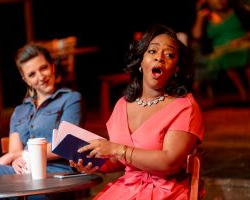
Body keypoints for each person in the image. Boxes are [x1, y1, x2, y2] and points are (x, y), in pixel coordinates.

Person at [70, 24, 205, 199]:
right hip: (128, 189)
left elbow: (169, 162)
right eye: (152, 51)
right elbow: (117, 160)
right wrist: (94, 163)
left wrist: (118, 149)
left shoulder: (184, 107)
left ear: (176, 69)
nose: (160, 58)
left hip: (166, 191)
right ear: (141, 60)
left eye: (169, 54)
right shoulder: (122, 105)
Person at [0, 43, 83, 176]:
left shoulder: (70, 99)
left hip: (55, 174)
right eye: (32, 74)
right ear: (26, 80)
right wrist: (15, 160)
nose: (41, 77)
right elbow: (15, 151)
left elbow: (65, 145)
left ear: (53, 67)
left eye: (43, 68)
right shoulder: (20, 111)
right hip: (22, 174)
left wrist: (13, 156)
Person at [191, 0, 250, 105]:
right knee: (225, 59)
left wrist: (240, 40)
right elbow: (197, 36)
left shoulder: (240, 12)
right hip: (221, 49)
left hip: (242, 44)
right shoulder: (206, 17)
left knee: (246, 54)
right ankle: (243, 92)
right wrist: (199, 18)